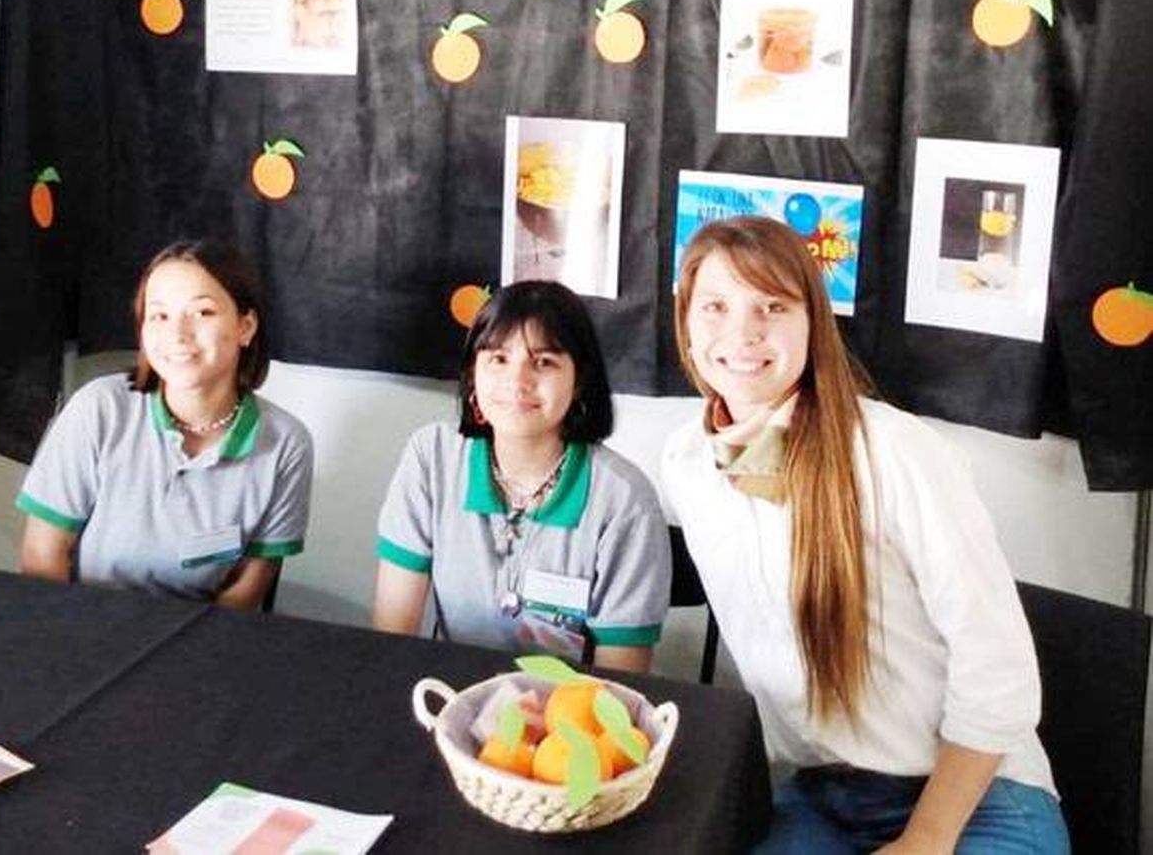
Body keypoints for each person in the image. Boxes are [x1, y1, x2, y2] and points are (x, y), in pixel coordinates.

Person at [661, 216, 1068, 853]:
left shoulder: (894, 452)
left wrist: (927, 837)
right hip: (820, 793)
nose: (742, 333)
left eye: (773, 305)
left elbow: (1000, 667)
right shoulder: (688, 465)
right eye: (715, 306)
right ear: (685, 317)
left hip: (975, 795)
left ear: (812, 321)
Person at [373, 280, 670, 669]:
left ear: (579, 380)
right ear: (472, 374)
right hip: (451, 699)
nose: (518, 382)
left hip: (566, 714)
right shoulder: (431, 459)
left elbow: (620, 680)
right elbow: (392, 636)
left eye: (544, 362)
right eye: (498, 359)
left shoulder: (625, 501)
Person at [17, 239, 314, 610]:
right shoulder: (99, 410)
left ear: (245, 326)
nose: (178, 334)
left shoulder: (286, 443)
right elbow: (43, 553)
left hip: (201, 637)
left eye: (202, 313)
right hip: (87, 626)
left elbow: (251, 583)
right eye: (159, 316)